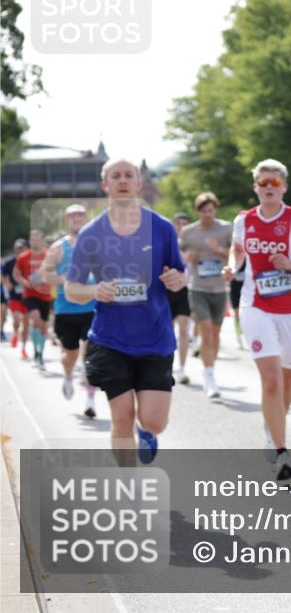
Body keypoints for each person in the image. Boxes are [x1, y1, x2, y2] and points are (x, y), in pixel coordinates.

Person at [66, 158, 186, 464]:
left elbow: (180, 276)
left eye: (128, 175)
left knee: (154, 421)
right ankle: (129, 490)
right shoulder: (91, 234)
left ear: (138, 184)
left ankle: (146, 432)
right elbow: (72, 290)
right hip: (110, 339)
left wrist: (176, 280)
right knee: (121, 418)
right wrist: (95, 290)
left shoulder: (161, 228)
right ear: (105, 185)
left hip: (155, 338)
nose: (122, 180)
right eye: (115, 176)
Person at [226, 159, 291, 481]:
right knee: (271, 379)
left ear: (284, 186)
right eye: (263, 183)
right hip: (255, 303)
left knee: (288, 380)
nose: (269, 187)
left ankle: (271, 427)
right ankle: (281, 450)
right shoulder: (243, 221)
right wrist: (234, 267)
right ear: (255, 187)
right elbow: (237, 250)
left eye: (275, 182)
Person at [41, 204, 99, 416]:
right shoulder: (59, 247)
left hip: (92, 307)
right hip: (66, 309)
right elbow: (45, 274)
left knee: (91, 353)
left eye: (80, 215)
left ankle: (90, 401)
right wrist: (64, 280)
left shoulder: (96, 245)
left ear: (86, 218)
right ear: (67, 219)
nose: (77, 218)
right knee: (71, 354)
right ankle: (68, 375)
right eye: (73, 215)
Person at [180, 192, 233, 400]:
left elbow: (237, 254)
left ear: (215, 210)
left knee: (215, 334)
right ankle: (209, 375)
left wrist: (218, 249)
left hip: (220, 288)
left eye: (210, 211)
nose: (207, 215)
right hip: (198, 287)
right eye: (203, 211)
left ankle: (210, 367)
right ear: (198, 211)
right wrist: (187, 257)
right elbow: (179, 257)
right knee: (205, 330)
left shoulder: (226, 228)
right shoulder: (188, 232)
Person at [14, 229, 54, 369]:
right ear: (30, 241)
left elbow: (55, 270)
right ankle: (36, 353)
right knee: (36, 319)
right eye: (32, 239)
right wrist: (25, 282)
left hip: (45, 294)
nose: (35, 241)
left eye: (37, 239)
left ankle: (39, 354)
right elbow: (17, 274)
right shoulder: (23, 257)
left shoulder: (48, 254)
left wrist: (47, 278)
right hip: (30, 294)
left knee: (42, 325)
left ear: (42, 240)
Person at [169, 213, 193, 384]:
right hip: (169, 291)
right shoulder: (168, 242)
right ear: (174, 225)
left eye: (185, 224)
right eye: (179, 223)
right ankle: (167, 367)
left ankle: (182, 368)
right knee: (168, 331)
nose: (182, 226)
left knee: (184, 330)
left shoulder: (193, 243)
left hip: (186, 290)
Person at [2, 239, 29, 356]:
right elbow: (2, 274)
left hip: (28, 295)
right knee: (17, 319)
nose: (20, 250)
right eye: (17, 248)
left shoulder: (30, 261)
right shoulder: (10, 262)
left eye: (22, 248)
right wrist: (6, 283)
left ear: (26, 248)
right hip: (14, 294)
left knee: (26, 322)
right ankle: (16, 333)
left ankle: (23, 348)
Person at [228, 256, 247, 349]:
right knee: (237, 314)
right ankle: (239, 338)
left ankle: (245, 335)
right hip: (234, 289)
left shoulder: (248, 257)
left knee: (245, 314)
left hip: (246, 290)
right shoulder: (233, 257)